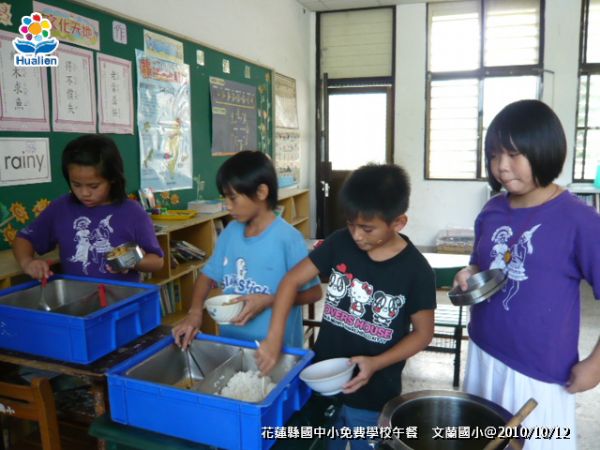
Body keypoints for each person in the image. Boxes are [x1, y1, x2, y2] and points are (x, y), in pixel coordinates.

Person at [453, 100, 600, 450]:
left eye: (514, 154)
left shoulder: (579, 221)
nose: (501, 167)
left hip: (538, 372)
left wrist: (596, 365)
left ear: (545, 150)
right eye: (494, 155)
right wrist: (468, 272)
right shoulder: (492, 211)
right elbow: (480, 264)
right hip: (484, 353)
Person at [257, 163, 436, 450]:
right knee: (324, 443)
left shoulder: (416, 271)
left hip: (373, 393)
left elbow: (423, 334)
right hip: (323, 380)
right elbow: (291, 281)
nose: (356, 235)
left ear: (398, 223)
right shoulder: (340, 243)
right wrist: (274, 337)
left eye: (367, 228)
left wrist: (376, 363)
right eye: (351, 223)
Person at [172, 150, 321, 349]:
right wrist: (195, 312)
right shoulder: (230, 233)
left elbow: (314, 293)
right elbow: (207, 277)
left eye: (233, 198)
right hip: (232, 344)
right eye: (225, 198)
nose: (227, 206)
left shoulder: (288, 239)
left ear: (261, 192)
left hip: (277, 349)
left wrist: (270, 300)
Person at [13, 134, 164, 283]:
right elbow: (24, 239)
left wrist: (133, 261)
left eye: (94, 186)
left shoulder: (133, 212)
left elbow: (157, 261)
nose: (84, 193)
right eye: (76, 185)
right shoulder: (61, 208)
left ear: (112, 179)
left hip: (124, 297)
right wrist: (27, 262)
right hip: (79, 296)